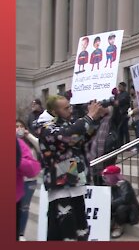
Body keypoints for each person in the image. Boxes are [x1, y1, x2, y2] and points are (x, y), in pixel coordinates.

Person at [38, 95, 106, 241]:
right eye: (66, 108)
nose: (71, 110)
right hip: (60, 185)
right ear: (55, 112)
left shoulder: (68, 124)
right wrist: (88, 117)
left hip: (74, 181)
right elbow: (67, 136)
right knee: (64, 230)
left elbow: (83, 137)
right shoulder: (46, 128)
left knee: (80, 228)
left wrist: (97, 118)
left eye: (70, 106)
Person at [16, 119, 41, 241]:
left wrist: (28, 135)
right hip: (18, 181)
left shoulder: (28, 143)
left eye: (21, 126)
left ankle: (21, 233)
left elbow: (41, 147)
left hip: (29, 181)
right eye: (16, 126)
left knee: (24, 207)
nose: (18, 129)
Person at [102, 165, 139, 238]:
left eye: (107, 177)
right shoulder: (110, 185)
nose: (105, 179)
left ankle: (119, 226)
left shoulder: (124, 184)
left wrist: (111, 204)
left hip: (129, 208)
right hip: (115, 206)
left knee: (121, 208)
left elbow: (125, 199)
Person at [115, 82, 131, 146]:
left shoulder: (126, 94)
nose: (119, 88)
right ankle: (120, 144)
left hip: (124, 114)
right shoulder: (118, 95)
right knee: (120, 130)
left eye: (120, 87)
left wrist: (118, 102)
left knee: (125, 130)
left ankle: (127, 144)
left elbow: (123, 101)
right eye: (119, 87)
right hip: (118, 115)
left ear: (124, 87)